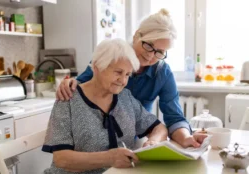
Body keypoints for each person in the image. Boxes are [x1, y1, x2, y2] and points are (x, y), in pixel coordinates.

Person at [55, 9, 207, 148]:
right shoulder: (112, 56)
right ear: (136, 36)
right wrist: (70, 83)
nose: (150, 55)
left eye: (159, 52)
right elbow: (82, 85)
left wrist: (187, 138)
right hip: (94, 142)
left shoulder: (162, 73)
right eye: (148, 45)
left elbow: (174, 118)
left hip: (130, 142)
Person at [42, 39, 168, 174]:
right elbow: (61, 159)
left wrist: (153, 142)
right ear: (97, 67)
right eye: (118, 72)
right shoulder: (68, 98)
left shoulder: (126, 97)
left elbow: (159, 128)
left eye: (127, 74)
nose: (123, 81)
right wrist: (110, 158)